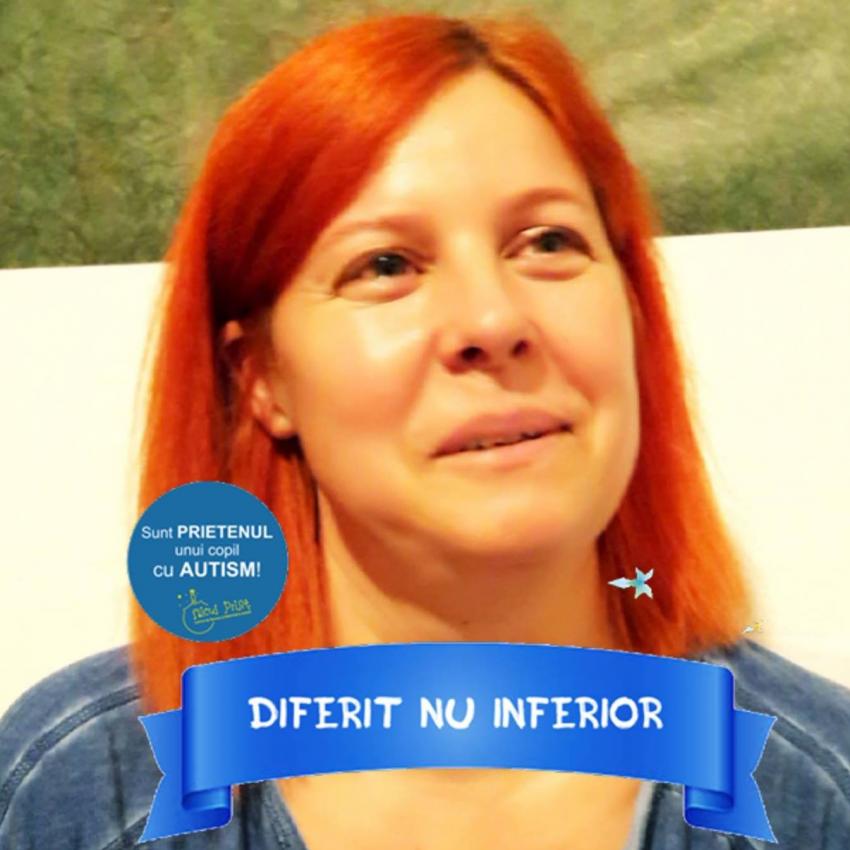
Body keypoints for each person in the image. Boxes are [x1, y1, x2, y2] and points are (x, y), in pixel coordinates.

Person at [1, 12, 848, 850]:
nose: (493, 319)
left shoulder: (820, 792)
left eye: (547, 241)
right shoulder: (81, 789)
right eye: (385, 265)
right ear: (259, 376)